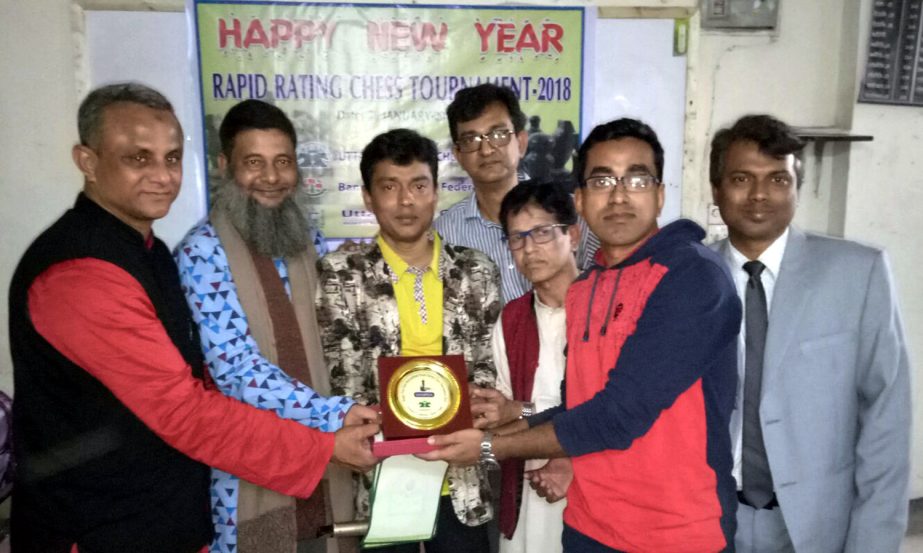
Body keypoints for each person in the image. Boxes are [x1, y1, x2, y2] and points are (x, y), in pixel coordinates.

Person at [7, 83, 379, 553]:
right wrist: (326, 440)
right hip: (98, 524)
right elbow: (189, 405)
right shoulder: (81, 273)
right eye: (138, 158)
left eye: (172, 157)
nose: (162, 175)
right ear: (88, 161)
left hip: (160, 515)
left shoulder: (147, 250)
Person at [421, 118, 741, 553]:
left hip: (675, 532)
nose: (620, 194)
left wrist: (490, 448)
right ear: (582, 199)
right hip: (590, 526)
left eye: (638, 178)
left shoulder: (691, 276)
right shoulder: (588, 289)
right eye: (602, 179)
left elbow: (618, 415)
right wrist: (507, 427)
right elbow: (580, 405)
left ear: (660, 194)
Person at [709, 114, 911, 553]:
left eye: (779, 178)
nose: (760, 194)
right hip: (708, 518)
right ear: (717, 189)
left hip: (818, 524)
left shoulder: (859, 273)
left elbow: (886, 424)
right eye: (742, 178)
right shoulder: (687, 279)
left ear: (797, 188)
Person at [175, 99, 369, 553]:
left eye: (282, 162)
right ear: (226, 166)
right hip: (246, 467)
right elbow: (236, 370)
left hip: (329, 460)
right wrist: (332, 416)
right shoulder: (202, 253)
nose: (271, 177)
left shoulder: (308, 241)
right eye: (253, 163)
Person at [316, 129, 501, 553]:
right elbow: (342, 377)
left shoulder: (476, 271)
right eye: (389, 187)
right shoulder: (343, 275)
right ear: (367, 196)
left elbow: (488, 365)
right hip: (383, 477)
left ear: (436, 192)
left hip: (462, 479)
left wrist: (481, 408)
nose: (406, 201)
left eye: (419, 186)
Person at [471, 180, 580, 553]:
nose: (530, 249)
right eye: (517, 238)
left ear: (574, 235)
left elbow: (604, 410)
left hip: (591, 483)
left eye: (543, 233)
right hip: (527, 483)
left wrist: (519, 410)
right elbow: (504, 409)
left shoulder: (605, 308)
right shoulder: (512, 318)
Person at [434, 84, 597, 303]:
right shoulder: (443, 234)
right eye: (471, 140)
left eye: (498, 134)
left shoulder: (574, 214)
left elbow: (607, 288)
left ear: (521, 142)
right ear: (458, 155)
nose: (487, 150)